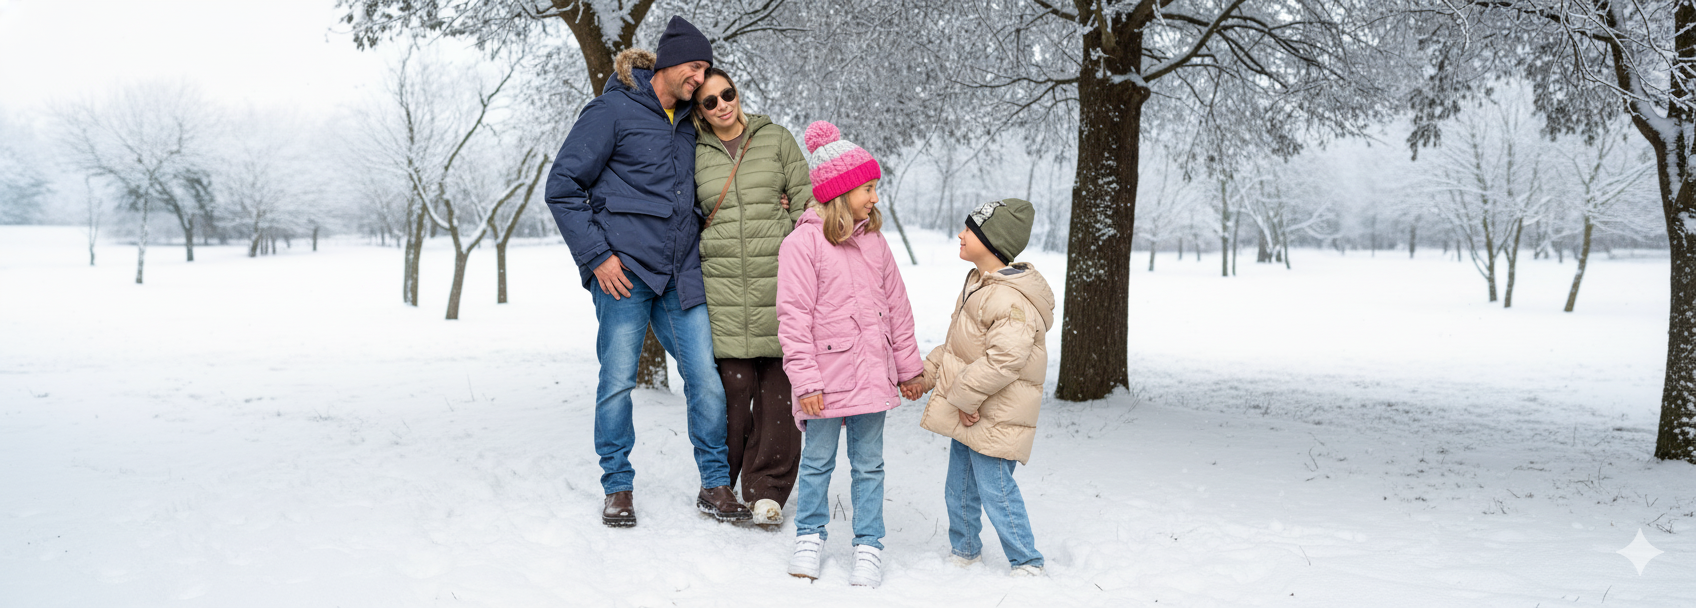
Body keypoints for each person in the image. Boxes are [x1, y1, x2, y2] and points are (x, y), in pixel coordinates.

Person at [545, 15, 751, 528]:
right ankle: (617, 486)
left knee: (705, 378)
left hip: (681, 274)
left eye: (706, 68)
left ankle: (714, 484)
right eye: (695, 66)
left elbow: (707, 179)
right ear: (668, 60)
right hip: (625, 271)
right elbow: (563, 185)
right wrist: (597, 257)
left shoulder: (690, 122)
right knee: (617, 381)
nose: (700, 78)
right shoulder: (611, 110)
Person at [776, 120, 924, 588]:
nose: (875, 197)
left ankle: (868, 543)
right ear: (841, 192)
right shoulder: (803, 244)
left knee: (869, 464)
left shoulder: (876, 244)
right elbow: (793, 319)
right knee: (817, 461)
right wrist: (806, 382)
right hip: (826, 380)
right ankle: (810, 535)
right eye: (868, 188)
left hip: (872, 377)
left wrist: (909, 368)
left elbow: (898, 310)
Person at [691, 68, 813, 526]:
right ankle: (721, 484)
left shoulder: (777, 139)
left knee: (779, 394)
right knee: (731, 393)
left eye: (728, 94)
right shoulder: (692, 151)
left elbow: (807, 205)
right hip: (721, 288)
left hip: (780, 283)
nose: (722, 104)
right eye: (709, 101)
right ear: (699, 111)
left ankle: (768, 493)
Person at [911, 198, 1053, 577]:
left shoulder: (1010, 300)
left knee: (996, 490)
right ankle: (965, 548)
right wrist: (923, 376)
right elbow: (958, 349)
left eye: (969, 230)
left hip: (998, 414)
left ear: (992, 243)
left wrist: (964, 397)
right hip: (972, 410)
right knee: (958, 486)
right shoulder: (978, 284)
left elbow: (1004, 360)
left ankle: (1027, 560)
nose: (960, 235)